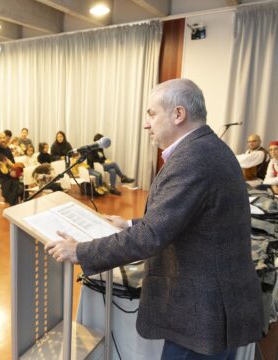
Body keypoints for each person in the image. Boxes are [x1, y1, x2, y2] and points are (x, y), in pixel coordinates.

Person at [46, 78, 263, 358]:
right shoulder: (205, 148)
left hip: (201, 314)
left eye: (151, 114)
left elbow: (151, 238)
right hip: (210, 307)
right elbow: (188, 218)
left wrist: (79, 251)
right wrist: (129, 224)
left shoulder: (194, 158)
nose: (146, 124)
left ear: (178, 114)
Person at [0, 133, 24, 206]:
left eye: (4, 138)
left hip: (9, 175)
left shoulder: (7, 149)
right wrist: (9, 174)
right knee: (13, 183)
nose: (2, 140)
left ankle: (14, 203)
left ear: (6, 138)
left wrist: (14, 171)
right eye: (0, 138)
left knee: (19, 183)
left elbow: (13, 163)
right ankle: (14, 204)